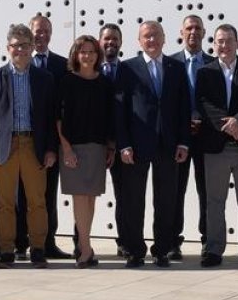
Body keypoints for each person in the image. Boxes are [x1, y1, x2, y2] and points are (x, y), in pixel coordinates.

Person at [0, 24, 59, 269]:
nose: (20, 50)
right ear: (8, 48)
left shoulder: (44, 78)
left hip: (33, 145)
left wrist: (50, 149)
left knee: (37, 201)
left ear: (32, 47)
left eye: (25, 45)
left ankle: (37, 248)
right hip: (6, 146)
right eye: (15, 46)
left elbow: (50, 117)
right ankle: (6, 250)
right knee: (5, 202)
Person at [114, 20, 190, 268]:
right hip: (136, 145)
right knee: (133, 200)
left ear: (164, 38)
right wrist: (123, 144)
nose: (152, 40)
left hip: (168, 144)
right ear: (139, 41)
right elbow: (120, 109)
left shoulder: (176, 67)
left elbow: (183, 108)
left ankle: (162, 250)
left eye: (156, 35)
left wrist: (183, 142)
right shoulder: (128, 68)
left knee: (166, 200)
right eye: (146, 36)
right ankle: (135, 251)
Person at [195, 24, 238, 268]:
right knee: (215, 201)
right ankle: (214, 250)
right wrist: (226, 125)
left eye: (228, 41)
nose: (224, 46)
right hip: (216, 145)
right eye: (219, 41)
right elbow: (203, 102)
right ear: (214, 44)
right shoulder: (205, 72)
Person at [56, 35, 115, 268]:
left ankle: (85, 246)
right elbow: (57, 118)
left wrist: (110, 147)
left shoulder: (105, 83)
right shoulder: (67, 82)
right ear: (76, 55)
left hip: (97, 148)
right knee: (79, 197)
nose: (87, 56)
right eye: (83, 52)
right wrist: (66, 148)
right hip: (73, 148)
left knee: (91, 199)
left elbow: (110, 117)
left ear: (97, 55)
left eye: (91, 52)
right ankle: (86, 248)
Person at [28, 14, 69, 259]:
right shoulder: (21, 63)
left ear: (50, 35)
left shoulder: (62, 65)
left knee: (48, 195)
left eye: (45, 31)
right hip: (24, 140)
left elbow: (62, 107)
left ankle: (48, 242)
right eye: (37, 31)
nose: (41, 36)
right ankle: (25, 242)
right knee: (25, 195)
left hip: (52, 142)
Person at [171, 14, 211, 259]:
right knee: (175, 190)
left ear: (204, 33)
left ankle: (208, 240)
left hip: (207, 135)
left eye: (197, 28)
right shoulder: (171, 63)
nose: (193, 32)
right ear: (182, 32)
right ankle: (173, 240)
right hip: (179, 136)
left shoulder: (213, 63)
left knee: (207, 191)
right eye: (189, 28)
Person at [98, 23, 128, 257]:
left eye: (115, 39)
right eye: (107, 39)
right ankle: (81, 243)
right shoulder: (87, 69)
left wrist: (117, 143)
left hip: (121, 144)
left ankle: (125, 242)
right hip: (93, 145)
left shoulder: (130, 71)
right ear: (100, 42)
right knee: (85, 195)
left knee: (125, 197)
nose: (111, 43)